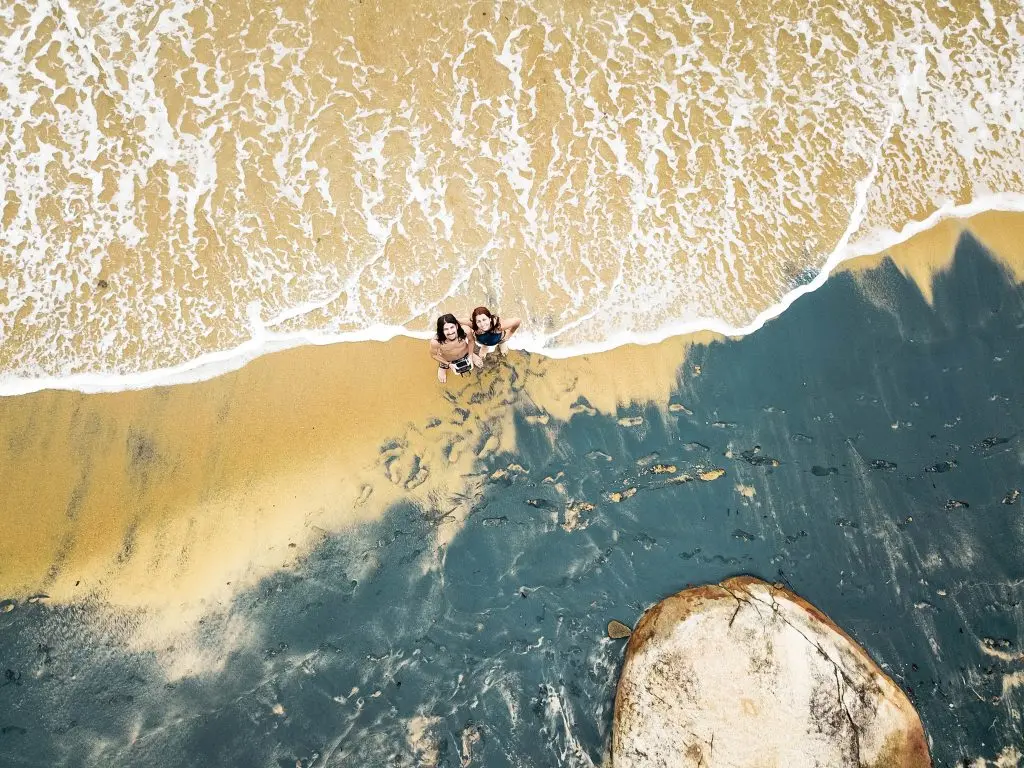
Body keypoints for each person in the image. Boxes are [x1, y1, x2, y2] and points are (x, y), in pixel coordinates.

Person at [430, 313, 483, 383]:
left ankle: (472, 355)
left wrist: (470, 355)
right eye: (446, 329)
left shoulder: (465, 331)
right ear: (441, 330)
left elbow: (471, 340)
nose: (450, 332)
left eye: (452, 327)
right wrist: (448, 364)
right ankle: (443, 366)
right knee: (444, 367)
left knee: (479, 363)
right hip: (448, 360)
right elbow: (434, 355)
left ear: (457, 326)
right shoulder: (436, 341)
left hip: (466, 353)